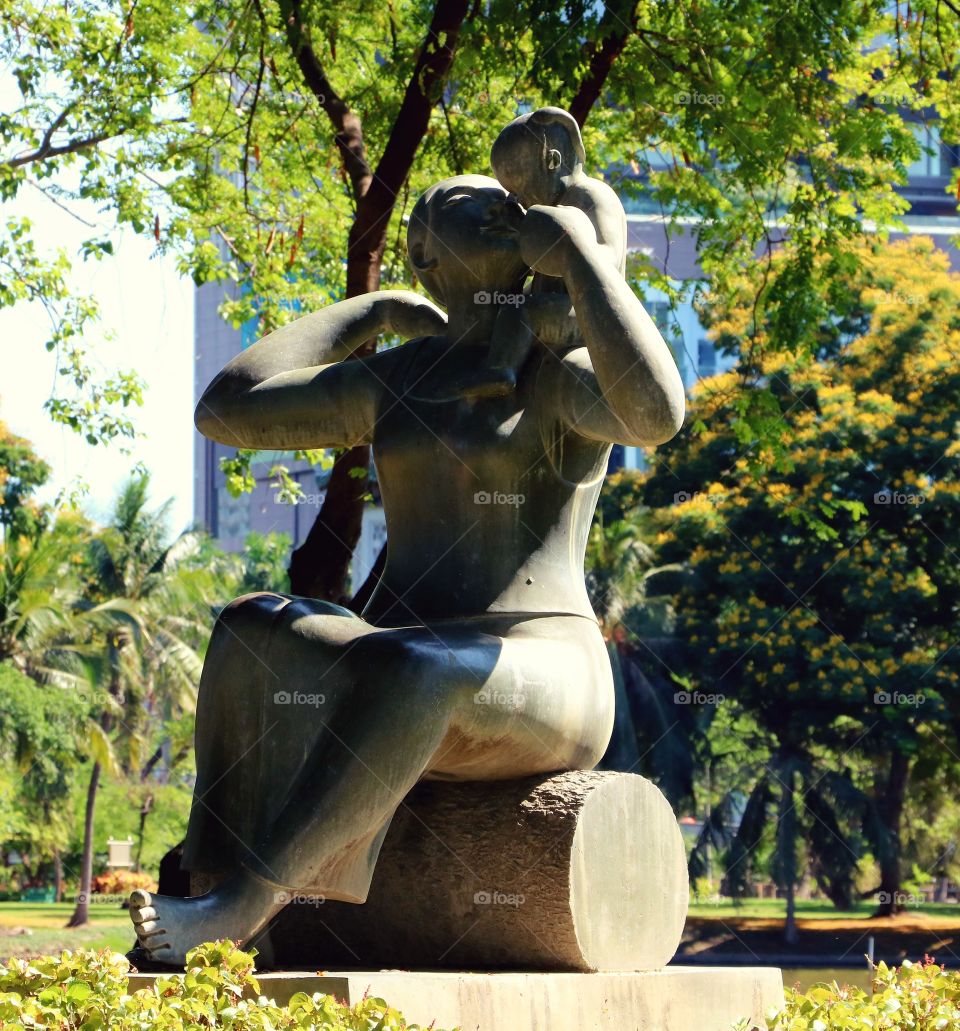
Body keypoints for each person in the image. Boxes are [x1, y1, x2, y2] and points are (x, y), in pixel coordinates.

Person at [128, 171, 684, 967]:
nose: (504, 205)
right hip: (404, 654)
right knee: (253, 627)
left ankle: (241, 905)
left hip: (544, 670)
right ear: (424, 250)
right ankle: (209, 881)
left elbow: (657, 412)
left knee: (409, 664)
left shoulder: (556, 372)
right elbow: (228, 406)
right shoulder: (401, 378)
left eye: (510, 202)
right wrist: (374, 311)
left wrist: (586, 258)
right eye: (469, 202)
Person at [456, 107, 627, 399]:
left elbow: (607, 258)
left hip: (588, 315)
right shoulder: (559, 202)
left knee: (521, 310)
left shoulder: (592, 196)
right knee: (514, 304)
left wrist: (569, 247)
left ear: (552, 161)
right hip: (559, 306)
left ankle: (500, 371)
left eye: (519, 188)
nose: (517, 200)